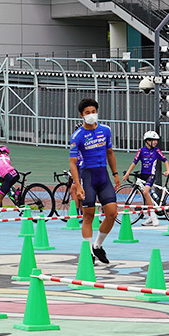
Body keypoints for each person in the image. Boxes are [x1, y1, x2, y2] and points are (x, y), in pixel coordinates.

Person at [67, 98, 119, 264]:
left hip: (103, 176)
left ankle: (97, 246)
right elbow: (73, 164)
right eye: (87, 113)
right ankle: (87, 251)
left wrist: (116, 174)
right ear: (82, 115)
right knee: (88, 216)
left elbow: (110, 153)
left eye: (93, 112)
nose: (91, 115)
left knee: (112, 213)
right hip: (87, 177)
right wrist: (78, 185)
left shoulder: (106, 130)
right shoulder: (77, 136)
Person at [123, 131, 169, 226]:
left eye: (156, 140)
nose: (156, 142)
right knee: (146, 196)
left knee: (145, 192)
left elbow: (165, 160)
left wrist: (167, 170)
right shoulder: (141, 151)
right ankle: (150, 217)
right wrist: (127, 173)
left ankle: (154, 216)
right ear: (147, 141)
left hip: (151, 175)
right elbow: (134, 162)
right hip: (143, 175)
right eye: (153, 140)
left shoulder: (156, 151)